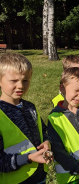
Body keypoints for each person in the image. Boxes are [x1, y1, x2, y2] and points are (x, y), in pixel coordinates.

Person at [0, 52, 51, 184]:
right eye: (14, 81)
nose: (21, 86)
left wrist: (46, 142)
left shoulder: (30, 107)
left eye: (25, 80)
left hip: (39, 177)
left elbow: (43, 132)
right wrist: (28, 158)